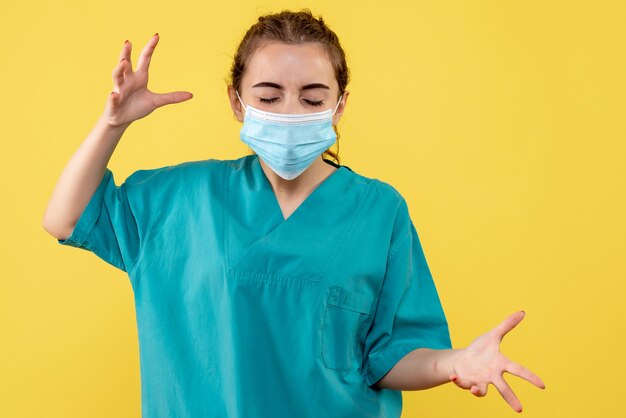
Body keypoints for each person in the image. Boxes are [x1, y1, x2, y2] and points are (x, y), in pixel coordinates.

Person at [42, 9, 545, 418]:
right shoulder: (181, 199)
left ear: (340, 106)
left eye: (312, 98)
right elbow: (65, 219)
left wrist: (453, 362)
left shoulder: (378, 210)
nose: (289, 113)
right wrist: (112, 124)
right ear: (238, 103)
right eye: (268, 96)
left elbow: (388, 356)